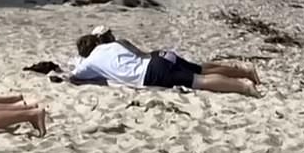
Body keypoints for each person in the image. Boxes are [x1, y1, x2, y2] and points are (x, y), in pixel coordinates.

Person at [71, 33, 262, 97]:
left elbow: (74, 77)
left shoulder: (89, 62)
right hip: (157, 57)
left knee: (200, 80)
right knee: (200, 68)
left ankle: (243, 87)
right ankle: (244, 71)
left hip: (150, 72)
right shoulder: (113, 44)